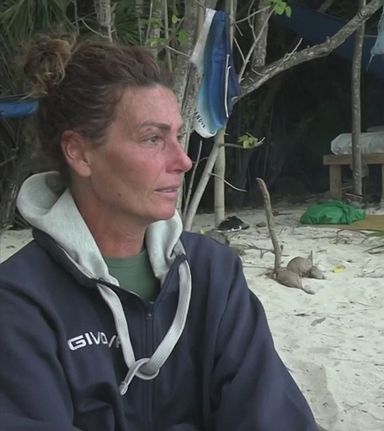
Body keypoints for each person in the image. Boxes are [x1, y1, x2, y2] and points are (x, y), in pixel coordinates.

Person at [0, 36, 317, 430]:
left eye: (177, 137)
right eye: (153, 138)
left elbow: (272, 416)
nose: (183, 160)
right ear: (79, 153)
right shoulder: (20, 302)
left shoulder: (212, 274)